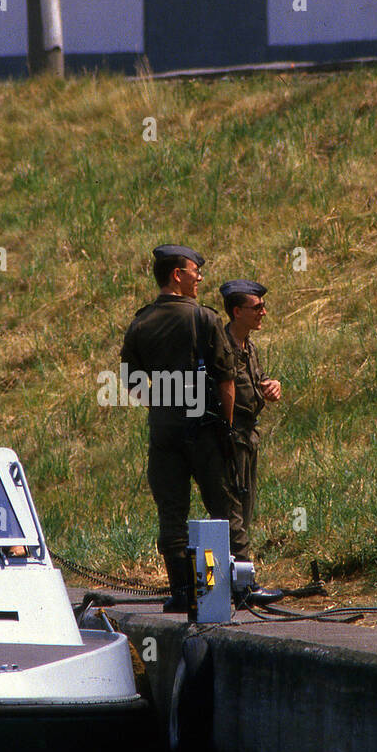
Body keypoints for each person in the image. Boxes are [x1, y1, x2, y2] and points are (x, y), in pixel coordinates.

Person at [120, 245, 280, 612]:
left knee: (171, 513)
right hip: (204, 430)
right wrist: (224, 427)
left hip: (163, 432)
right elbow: (225, 380)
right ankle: (242, 587)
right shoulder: (204, 319)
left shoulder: (140, 322)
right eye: (195, 271)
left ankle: (181, 592)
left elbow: (131, 381)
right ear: (177, 275)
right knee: (226, 509)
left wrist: (164, 405)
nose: (200, 278)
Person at [219, 279, 281, 537]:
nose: (263, 313)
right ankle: (235, 568)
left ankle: (240, 567)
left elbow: (258, 380)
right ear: (237, 312)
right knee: (231, 512)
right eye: (257, 307)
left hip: (248, 438)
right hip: (229, 440)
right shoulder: (222, 348)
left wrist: (272, 386)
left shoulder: (249, 346)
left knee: (245, 509)